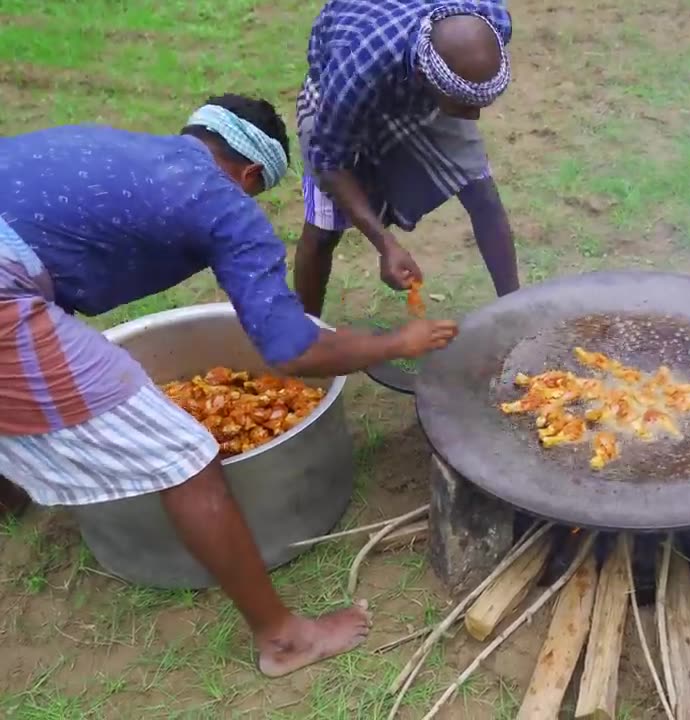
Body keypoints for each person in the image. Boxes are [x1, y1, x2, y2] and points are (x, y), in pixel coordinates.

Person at [0, 94, 459, 677]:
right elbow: (294, 350)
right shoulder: (221, 201)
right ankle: (285, 640)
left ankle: (9, 492)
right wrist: (398, 342)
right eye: (255, 192)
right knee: (186, 453)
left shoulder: (109, 142)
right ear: (248, 174)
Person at [294, 0, 520, 318]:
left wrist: (458, 101)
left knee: (481, 190)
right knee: (323, 228)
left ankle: (516, 310)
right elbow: (329, 161)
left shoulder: (493, 20)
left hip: (419, 76)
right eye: (464, 104)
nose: (476, 116)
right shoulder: (356, 70)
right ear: (424, 75)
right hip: (339, 92)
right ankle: (303, 337)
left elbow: (465, 97)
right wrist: (386, 244)